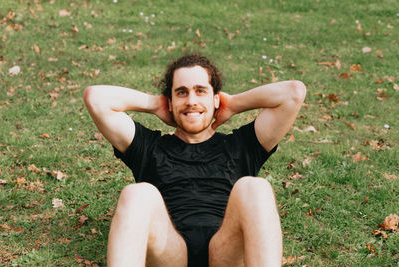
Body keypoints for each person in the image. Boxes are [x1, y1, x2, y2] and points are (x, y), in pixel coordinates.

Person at [83, 54, 306, 267]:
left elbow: (294, 93)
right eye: (181, 93)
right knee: (137, 193)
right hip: (169, 253)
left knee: (255, 187)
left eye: (201, 91)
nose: (191, 101)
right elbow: (95, 98)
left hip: (225, 252)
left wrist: (235, 103)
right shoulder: (148, 147)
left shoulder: (241, 145)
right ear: (169, 102)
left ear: (216, 98)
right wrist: (154, 104)